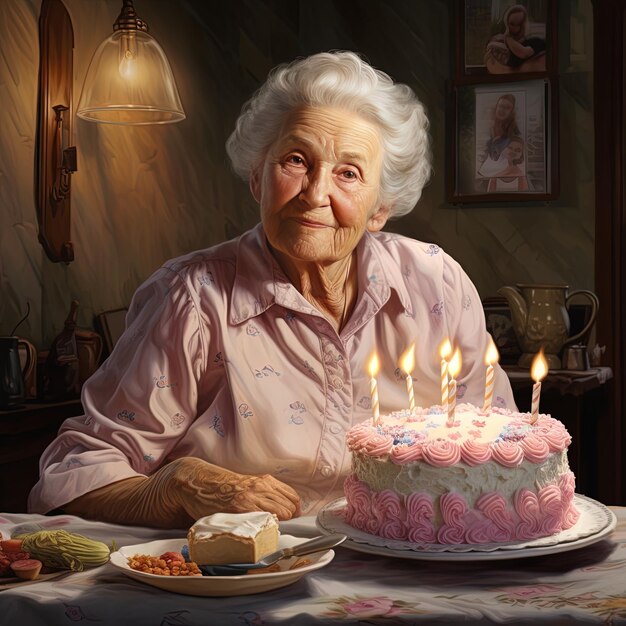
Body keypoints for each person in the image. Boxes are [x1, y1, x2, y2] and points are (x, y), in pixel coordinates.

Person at [28, 51, 516, 528]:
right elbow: (74, 474)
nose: (315, 193)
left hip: (411, 569)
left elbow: (501, 447)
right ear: (258, 178)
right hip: (245, 582)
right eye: (296, 160)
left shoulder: (438, 283)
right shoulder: (192, 298)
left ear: (381, 208)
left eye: (348, 173)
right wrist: (174, 485)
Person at [484, 4, 546, 74]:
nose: (517, 28)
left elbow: (524, 53)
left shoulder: (535, 41)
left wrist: (508, 39)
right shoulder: (503, 48)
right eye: (512, 24)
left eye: (520, 24)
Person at [477, 93, 521, 178]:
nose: (502, 110)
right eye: (500, 106)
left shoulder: (514, 135)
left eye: (507, 108)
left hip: (502, 175)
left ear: (511, 112)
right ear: (496, 107)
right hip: (482, 172)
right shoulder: (487, 127)